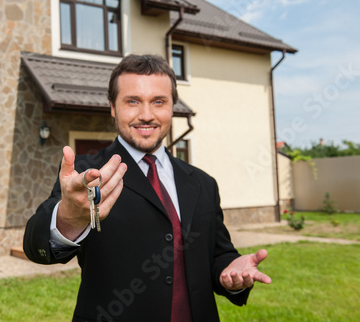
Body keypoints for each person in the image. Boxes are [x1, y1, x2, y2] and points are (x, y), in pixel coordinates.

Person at [23, 54, 271, 322]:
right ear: (113, 108)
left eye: (158, 102)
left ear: (172, 107)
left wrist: (230, 272)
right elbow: (37, 245)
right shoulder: (87, 174)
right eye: (132, 101)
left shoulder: (202, 183)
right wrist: (69, 218)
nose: (146, 115)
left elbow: (218, 255)